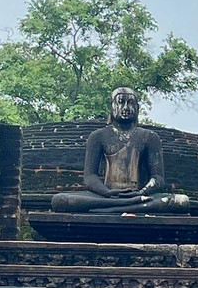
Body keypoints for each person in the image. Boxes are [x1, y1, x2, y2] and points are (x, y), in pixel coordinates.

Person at [51, 87, 189, 214]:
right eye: (120, 102)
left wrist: (142, 192)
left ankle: (112, 208)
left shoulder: (149, 137)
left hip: (139, 195)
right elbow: (90, 177)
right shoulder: (98, 136)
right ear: (112, 107)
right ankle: (127, 205)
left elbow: (158, 178)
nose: (125, 108)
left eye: (130, 103)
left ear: (138, 108)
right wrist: (107, 192)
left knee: (181, 202)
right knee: (60, 200)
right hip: (106, 196)